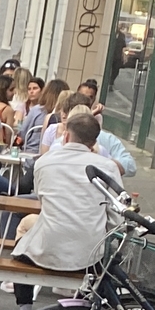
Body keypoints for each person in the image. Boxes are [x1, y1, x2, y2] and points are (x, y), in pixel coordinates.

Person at [10, 111, 124, 289]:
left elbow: (42, 200)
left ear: (66, 135)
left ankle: (24, 306)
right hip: (90, 256)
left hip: (46, 250)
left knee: (24, 231)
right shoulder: (108, 167)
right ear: (94, 143)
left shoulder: (44, 162)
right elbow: (116, 218)